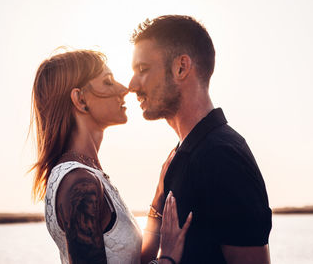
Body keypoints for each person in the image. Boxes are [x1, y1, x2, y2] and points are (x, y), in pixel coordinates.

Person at [129, 15, 272, 264]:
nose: (131, 85)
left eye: (143, 70)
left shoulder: (222, 157)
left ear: (181, 67)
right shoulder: (182, 155)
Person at [30, 49, 192, 264]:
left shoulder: (88, 174)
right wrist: (168, 258)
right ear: (80, 99)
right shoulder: (79, 182)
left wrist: (158, 200)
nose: (124, 89)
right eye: (107, 82)